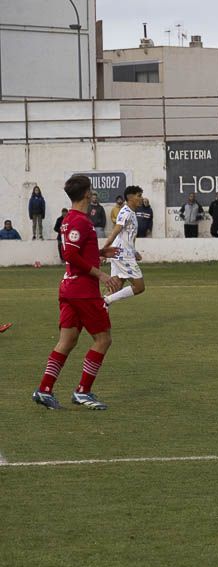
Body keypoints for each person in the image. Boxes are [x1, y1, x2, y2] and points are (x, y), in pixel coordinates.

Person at [32, 174, 121, 410]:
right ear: (87, 194)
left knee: (68, 340)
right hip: (83, 291)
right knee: (103, 339)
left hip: (69, 288)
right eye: (91, 190)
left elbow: (78, 252)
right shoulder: (81, 221)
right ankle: (83, 391)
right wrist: (102, 274)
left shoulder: (71, 219)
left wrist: (101, 252)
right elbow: (70, 255)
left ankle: (44, 389)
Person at [100, 185, 147, 307]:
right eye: (139, 196)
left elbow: (126, 235)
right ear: (130, 197)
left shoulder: (131, 212)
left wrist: (134, 251)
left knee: (116, 286)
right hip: (122, 255)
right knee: (139, 287)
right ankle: (105, 301)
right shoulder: (126, 212)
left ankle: (100, 308)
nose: (141, 198)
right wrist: (103, 251)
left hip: (121, 253)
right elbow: (115, 231)